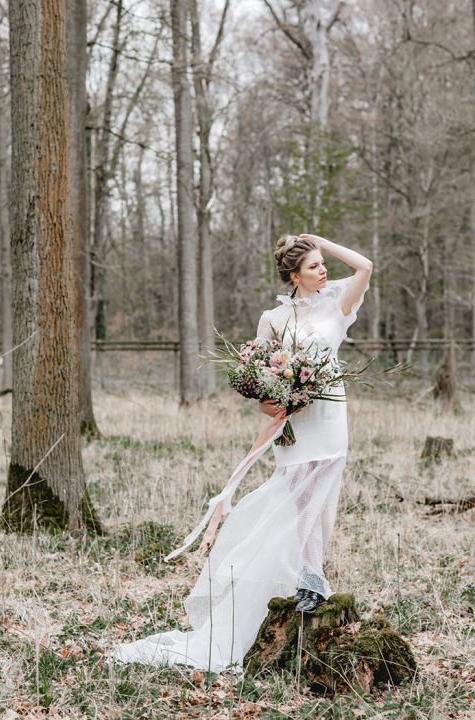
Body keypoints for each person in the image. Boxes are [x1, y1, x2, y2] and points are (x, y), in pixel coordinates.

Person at [108, 233, 372, 675]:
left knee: (322, 495)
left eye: (322, 263)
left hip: (331, 417)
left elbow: (364, 265)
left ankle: (311, 577)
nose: (322, 271)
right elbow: (262, 380)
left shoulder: (336, 304)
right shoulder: (272, 318)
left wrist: (320, 240)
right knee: (295, 494)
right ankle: (299, 576)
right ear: (293, 276)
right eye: (313, 266)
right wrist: (276, 401)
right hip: (295, 420)